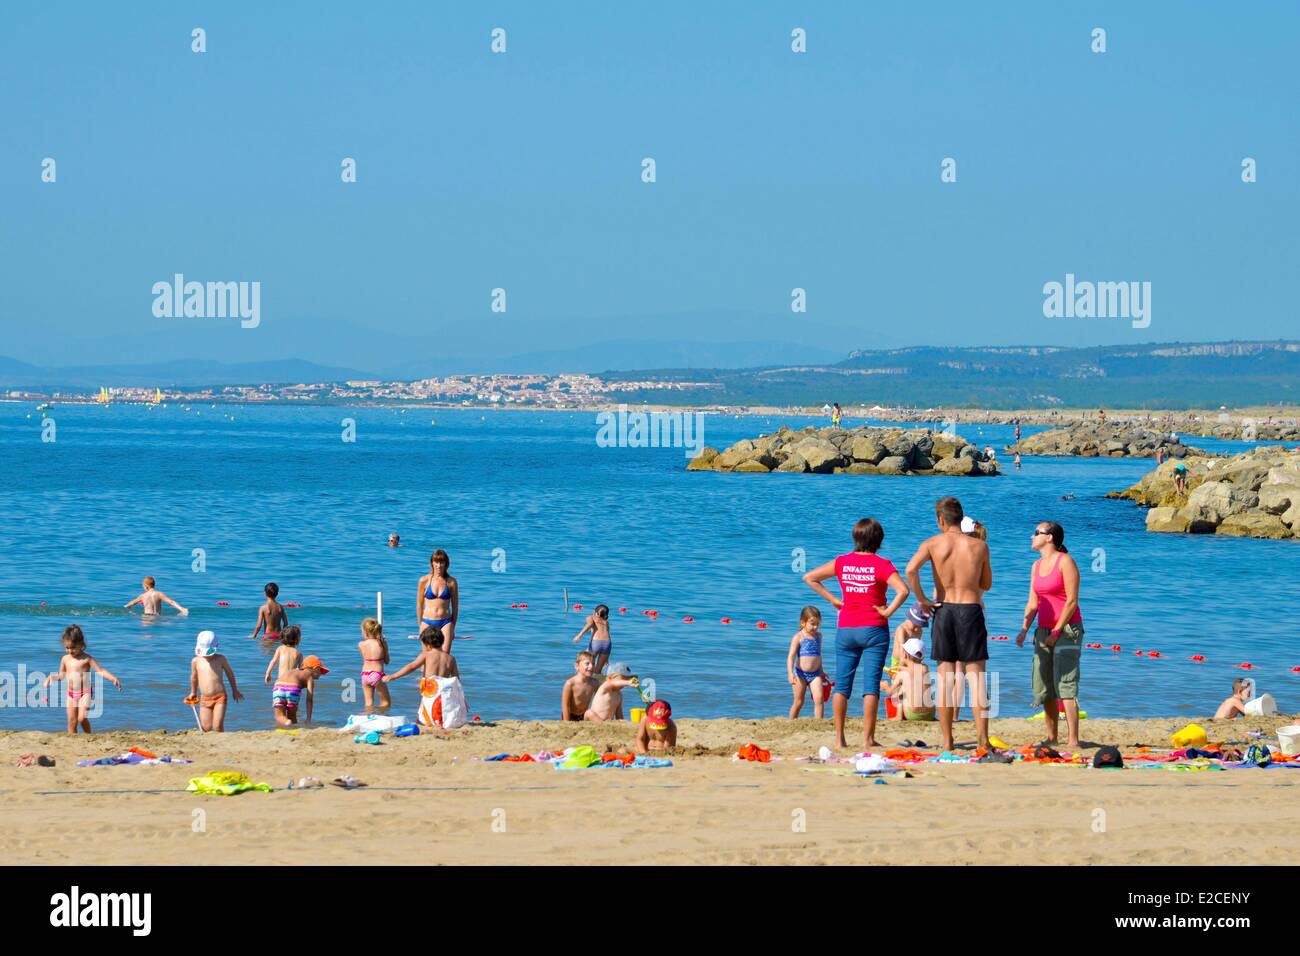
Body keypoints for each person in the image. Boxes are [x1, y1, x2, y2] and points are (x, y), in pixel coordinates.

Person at [804, 517, 909, 750]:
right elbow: (903, 590)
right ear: (879, 541)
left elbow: (810, 577)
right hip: (874, 629)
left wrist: (834, 600)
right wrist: (888, 611)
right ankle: (867, 739)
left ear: (855, 538)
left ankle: (839, 739)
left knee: (842, 685)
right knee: (871, 686)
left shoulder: (842, 562)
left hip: (846, 629)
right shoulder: (882, 564)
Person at [905, 496, 993, 752]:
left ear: (941, 520)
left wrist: (922, 599)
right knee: (976, 679)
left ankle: (947, 740)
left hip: (944, 610)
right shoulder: (979, 546)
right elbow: (986, 584)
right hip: (970, 610)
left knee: (945, 680)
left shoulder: (933, 543)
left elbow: (911, 570)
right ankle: (983, 740)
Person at [1015, 521, 1084, 750]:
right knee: (1044, 685)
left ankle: (1073, 739)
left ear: (1050, 537)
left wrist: (1056, 630)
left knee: (1065, 684)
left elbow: (1072, 601)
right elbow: (1033, 602)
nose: (1032, 536)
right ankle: (1052, 737)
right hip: (1043, 629)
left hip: (1066, 629)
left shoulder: (1066, 562)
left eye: (1036, 533)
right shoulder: (1036, 566)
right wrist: (1024, 629)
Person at [43, 625, 121, 734]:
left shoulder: (87, 659)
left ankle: (88, 736)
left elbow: (100, 671)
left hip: (85, 693)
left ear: (81, 644)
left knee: (81, 718)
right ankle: (73, 740)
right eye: (67, 647)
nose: (70, 650)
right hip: (71, 694)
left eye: (73, 647)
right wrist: (51, 677)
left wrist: (113, 678)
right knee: (72, 721)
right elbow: (61, 675)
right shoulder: (65, 659)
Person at [385, 624, 464, 727]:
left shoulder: (426, 655)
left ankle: (421, 723)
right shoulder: (450, 658)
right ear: (442, 641)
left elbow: (411, 667)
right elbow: (456, 679)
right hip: (444, 693)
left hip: (430, 690)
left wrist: (393, 676)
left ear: (428, 644)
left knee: (423, 713)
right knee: (441, 710)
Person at [187, 630, 243, 731]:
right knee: (206, 728)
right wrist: (193, 692)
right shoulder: (195, 661)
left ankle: (222, 742)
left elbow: (230, 675)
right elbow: (194, 678)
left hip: (220, 697)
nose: (207, 655)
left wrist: (235, 691)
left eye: (209, 652)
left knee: (217, 726)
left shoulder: (221, 659)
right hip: (204, 699)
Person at [786, 605, 827, 719]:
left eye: (818, 624)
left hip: (815, 674)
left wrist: (821, 671)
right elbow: (791, 657)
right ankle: (792, 721)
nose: (815, 627)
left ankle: (819, 722)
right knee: (799, 702)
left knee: (819, 699)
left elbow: (818, 655)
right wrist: (790, 673)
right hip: (800, 674)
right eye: (812, 623)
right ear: (803, 622)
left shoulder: (819, 636)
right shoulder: (799, 637)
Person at [880, 637, 934, 722]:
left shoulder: (902, 675)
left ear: (905, 655)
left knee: (900, 690)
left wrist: (885, 686)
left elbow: (890, 692)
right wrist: (899, 667)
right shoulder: (925, 668)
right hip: (930, 714)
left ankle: (898, 716)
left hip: (913, 715)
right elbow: (913, 670)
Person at [416, 549, 459, 651]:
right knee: (427, 658)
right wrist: (420, 624)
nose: (439, 565)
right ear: (432, 563)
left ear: (446, 564)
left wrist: (453, 627)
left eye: (441, 562)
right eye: (436, 562)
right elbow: (419, 605)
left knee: (444, 657)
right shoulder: (424, 580)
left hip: (446, 623)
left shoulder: (451, 582)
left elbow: (455, 607)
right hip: (427, 621)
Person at [272, 655, 327, 726]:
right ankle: (289, 724)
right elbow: (309, 700)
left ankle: (286, 725)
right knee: (292, 716)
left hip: (278, 686)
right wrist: (308, 719)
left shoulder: (294, 670)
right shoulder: (309, 678)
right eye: (321, 671)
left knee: (279, 716)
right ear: (316, 668)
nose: (321, 674)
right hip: (293, 688)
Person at [357, 617, 391, 714]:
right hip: (377, 674)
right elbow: (387, 661)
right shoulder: (381, 643)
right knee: (386, 702)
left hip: (365, 675)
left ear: (365, 632)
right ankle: (381, 717)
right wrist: (385, 647)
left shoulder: (361, 644)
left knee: (368, 703)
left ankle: (368, 717)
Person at [571, 604, 613, 673]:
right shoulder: (606, 622)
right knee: (598, 671)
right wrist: (606, 658)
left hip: (596, 643)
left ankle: (581, 681)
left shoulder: (592, 617)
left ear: (596, 613)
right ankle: (597, 683)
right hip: (607, 644)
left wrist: (579, 636)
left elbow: (589, 624)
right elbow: (607, 633)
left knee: (584, 664)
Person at [561, 651, 599, 721]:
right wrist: (566, 723)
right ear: (577, 666)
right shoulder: (570, 684)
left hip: (583, 715)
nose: (591, 666)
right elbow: (565, 706)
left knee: (591, 713)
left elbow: (600, 700)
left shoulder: (595, 683)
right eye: (587, 663)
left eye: (593, 664)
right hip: (570, 715)